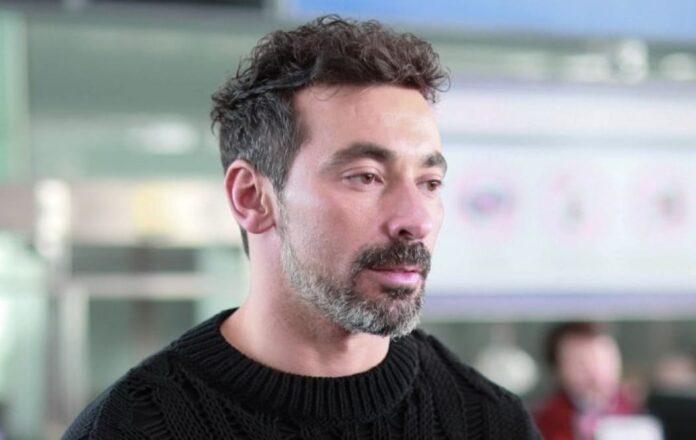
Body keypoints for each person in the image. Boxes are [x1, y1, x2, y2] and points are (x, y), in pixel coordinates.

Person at [64, 15, 540, 439]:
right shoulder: (129, 428)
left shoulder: (489, 421)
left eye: (429, 182)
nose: (416, 220)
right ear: (252, 197)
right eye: (366, 177)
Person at [534, 322, 640, 440]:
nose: (595, 371)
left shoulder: (638, 409)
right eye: (581, 364)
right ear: (558, 370)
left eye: (603, 360)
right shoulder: (545, 421)